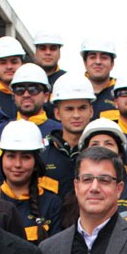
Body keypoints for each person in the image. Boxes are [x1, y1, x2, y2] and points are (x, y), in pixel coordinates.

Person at [73, 118, 127, 227]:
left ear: (120, 153)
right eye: (95, 144)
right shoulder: (75, 195)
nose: (102, 149)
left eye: (109, 144)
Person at [0, 120, 63, 244]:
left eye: (25, 157)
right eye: (11, 156)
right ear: (1, 160)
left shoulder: (52, 204)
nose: (17, 164)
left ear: (36, 163)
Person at [42, 72, 97, 202]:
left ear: (91, 111)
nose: (76, 115)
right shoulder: (42, 155)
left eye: (82, 108)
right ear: (57, 113)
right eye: (69, 109)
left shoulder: (100, 152)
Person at [0, 36, 26, 117]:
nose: (9, 66)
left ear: (22, 65)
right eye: (3, 63)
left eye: (14, 62)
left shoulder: (33, 95)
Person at [80, 38, 119, 119]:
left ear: (112, 64)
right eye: (92, 57)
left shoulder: (122, 92)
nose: (98, 62)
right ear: (85, 63)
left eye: (104, 57)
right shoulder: (73, 89)